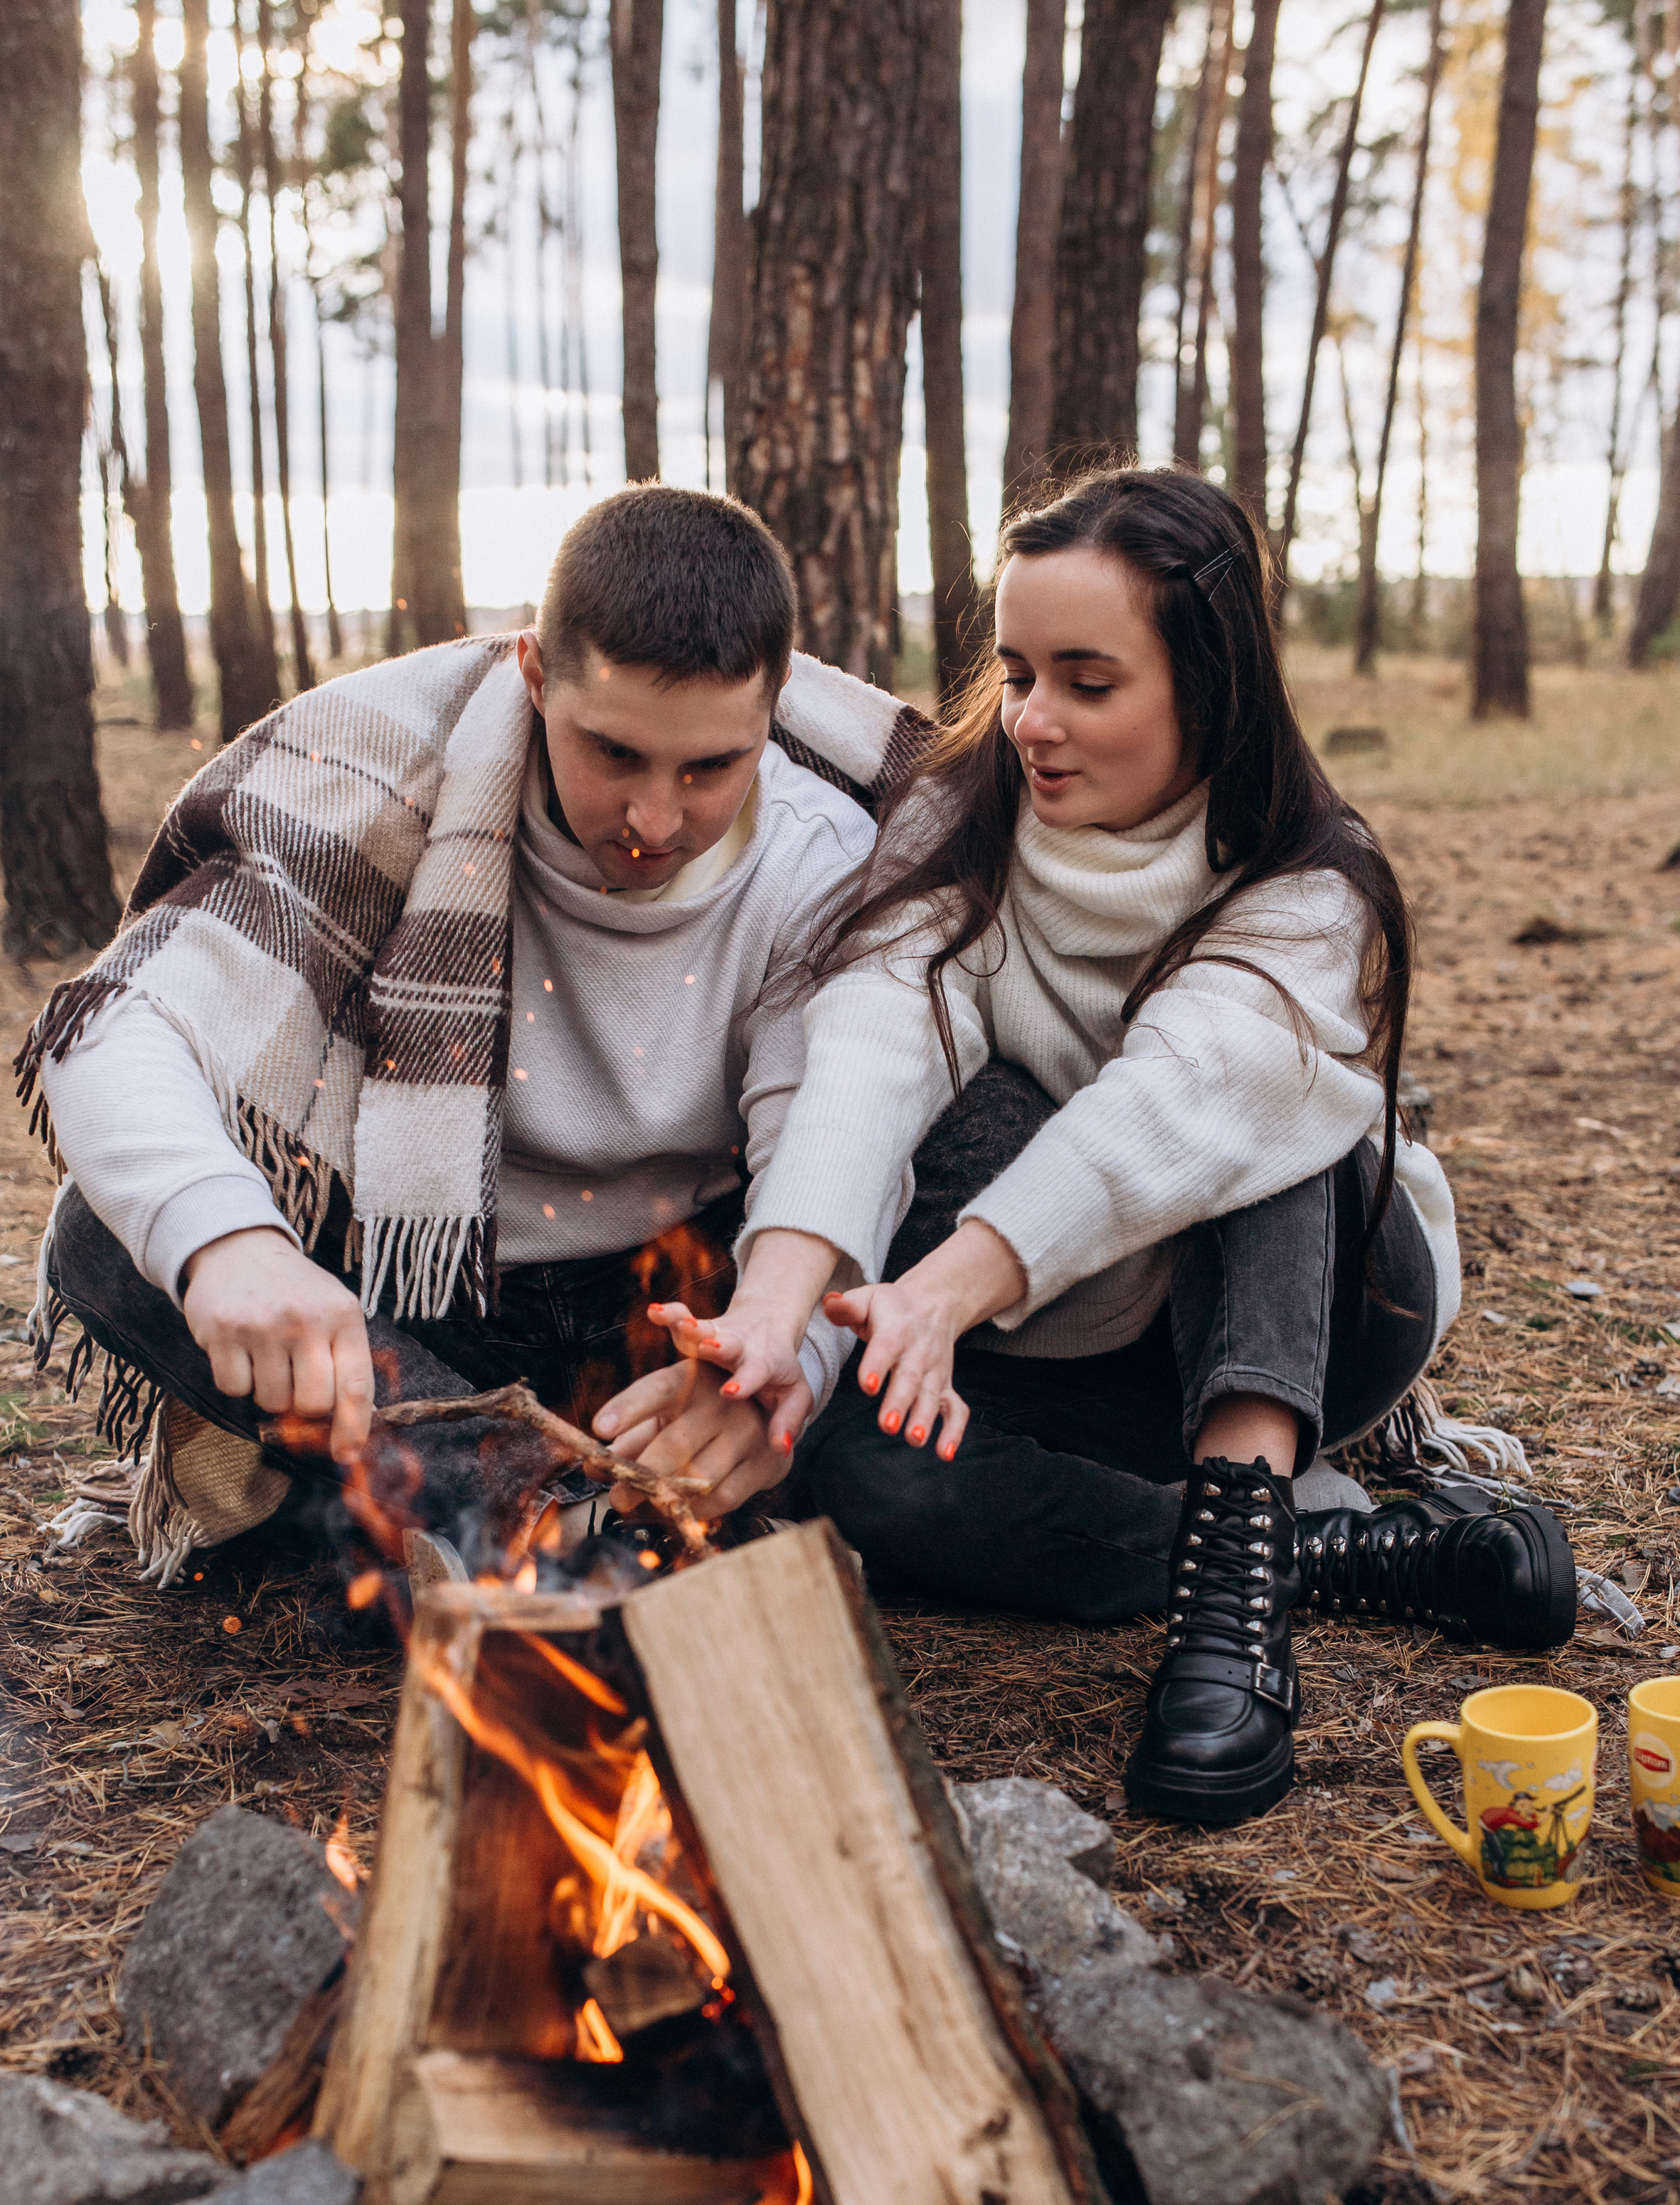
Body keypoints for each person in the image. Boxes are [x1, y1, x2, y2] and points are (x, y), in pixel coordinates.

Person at [614, 468, 1576, 1827]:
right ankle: (1335, 1551)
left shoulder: (1310, 881)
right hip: (1067, 1339)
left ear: (1209, 684)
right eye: (1014, 674)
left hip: (1313, 1312)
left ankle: (1233, 1619)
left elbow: (1175, 1102)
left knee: (1263, 1118)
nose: (1033, 723)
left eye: (1087, 681)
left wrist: (938, 1294)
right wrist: (777, 1316)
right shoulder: (964, 825)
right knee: (839, 1464)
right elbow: (872, 1056)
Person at [18, 484, 927, 1585]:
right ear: (536, 674)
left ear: (773, 708)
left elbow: (836, 1135)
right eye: (614, 752)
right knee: (105, 1238)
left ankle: (463, 1514)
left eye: (708, 768)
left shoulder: (821, 852)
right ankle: (552, 1511)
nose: (653, 821)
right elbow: (112, 1026)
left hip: (671, 1304)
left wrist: (780, 1362)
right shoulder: (374, 778)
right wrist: (233, 1246)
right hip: (428, 1297)